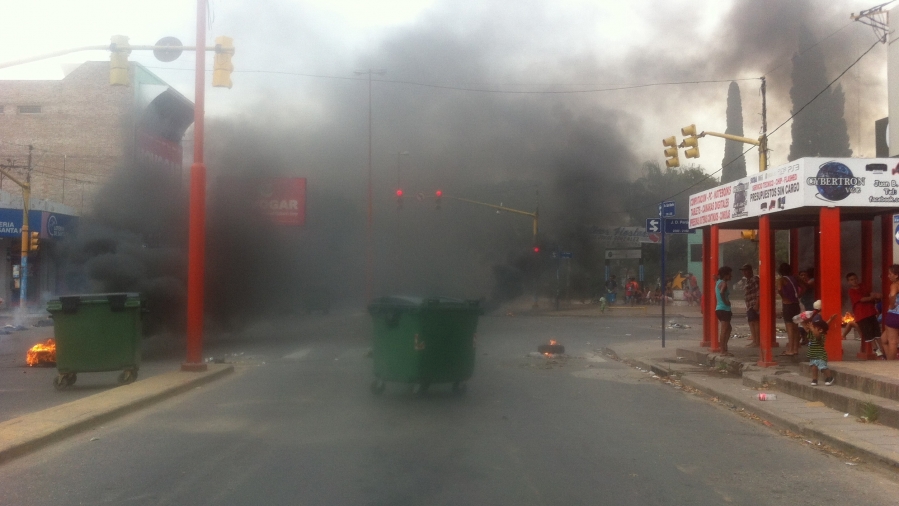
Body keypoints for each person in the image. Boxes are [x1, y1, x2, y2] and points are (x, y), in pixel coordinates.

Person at [846, 272, 885, 358]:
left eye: (855, 279)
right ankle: (877, 350)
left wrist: (875, 295)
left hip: (871, 312)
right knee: (869, 334)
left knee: (877, 332)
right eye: (851, 280)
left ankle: (883, 350)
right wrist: (874, 297)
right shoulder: (851, 291)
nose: (854, 281)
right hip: (861, 315)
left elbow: (870, 293)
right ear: (848, 282)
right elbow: (862, 299)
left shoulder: (863, 286)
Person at [799, 312, 838, 386]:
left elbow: (817, 334)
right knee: (813, 367)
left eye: (814, 327)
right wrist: (803, 321)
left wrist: (812, 328)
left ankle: (829, 377)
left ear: (820, 330)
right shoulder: (812, 334)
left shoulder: (821, 336)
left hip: (820, 355)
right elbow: (807, 330)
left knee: (823, 368)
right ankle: (814, 379)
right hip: (813, 355)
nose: (812, 328)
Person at [777, 263, 801, 357]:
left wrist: (784, 297)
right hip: (796, 304)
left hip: (787, 305)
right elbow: (804, 287)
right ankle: (795, 348)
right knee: (795, 327)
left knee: (789, 328)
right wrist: (798, 295)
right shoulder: (795, 278)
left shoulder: (782, 279)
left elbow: (779, 289)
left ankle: (790, 349)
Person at [740, 264, 760, 348]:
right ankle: (754, 340)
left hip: (753, 304)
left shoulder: (754, 279)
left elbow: (759, 292)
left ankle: (757, 341)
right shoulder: (747, 280)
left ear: (750, 271)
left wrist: (757, 304)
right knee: (751, 322)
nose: (744, 273)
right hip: (749, 305)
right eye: (743, 271)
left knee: (755, 322)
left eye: (746, 270)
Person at [715, 266, 734, 357]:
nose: (731, 276)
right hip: (724, 309)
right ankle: (723, 350)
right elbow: (722, 292)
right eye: (730, 274)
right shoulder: (724, 284)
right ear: (726, 275)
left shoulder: (718, 282)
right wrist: (726, 302)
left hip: (719, 308)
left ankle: (724, 347)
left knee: (728, 328)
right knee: (724, 330)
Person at [883, 265, 899, 360]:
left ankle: (891, 364)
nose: (888, 276)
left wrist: (892, 305)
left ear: (896, 275)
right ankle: (888, 359)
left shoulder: (895, 285)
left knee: (892, 342)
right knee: (883, 339)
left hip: (894, 315)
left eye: (890, 274)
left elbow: (892, 295)